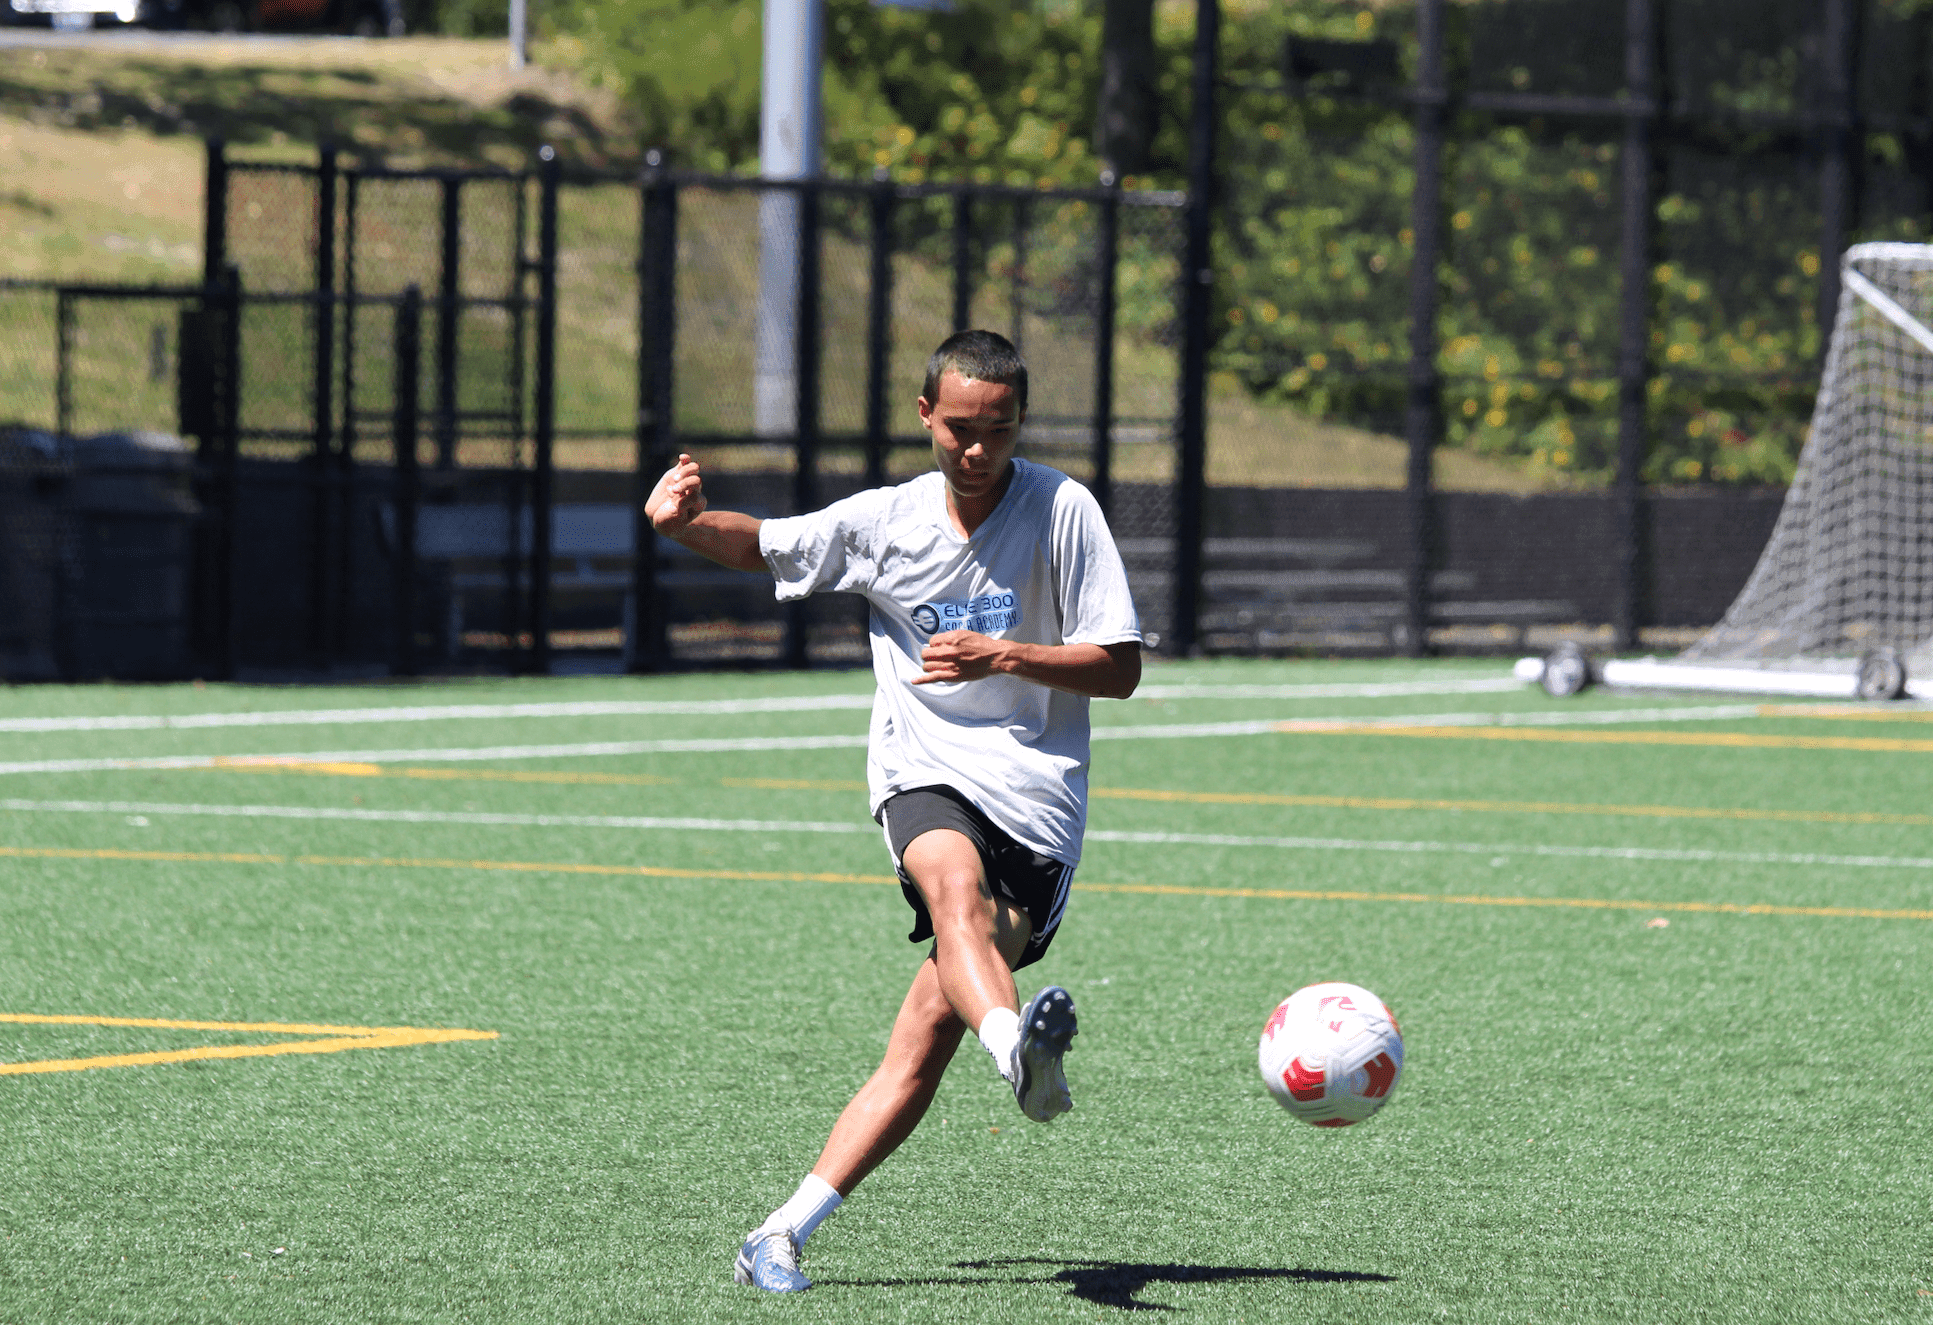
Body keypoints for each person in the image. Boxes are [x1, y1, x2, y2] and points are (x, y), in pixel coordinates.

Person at [644, 329, 1143, 1294]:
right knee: (953, 893)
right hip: (923, 773)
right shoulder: (888, 520)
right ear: (925, 415)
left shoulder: (1063, 510)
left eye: (996, 431)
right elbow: (766, 542)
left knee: (920, 1041)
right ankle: (1019, 1053)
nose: (975, 448)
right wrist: (681, 525)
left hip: (1037, 804)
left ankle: (777, 1233)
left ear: (1018, 426)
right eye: (958, 427)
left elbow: (1117, 666)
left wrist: (1008, 656)